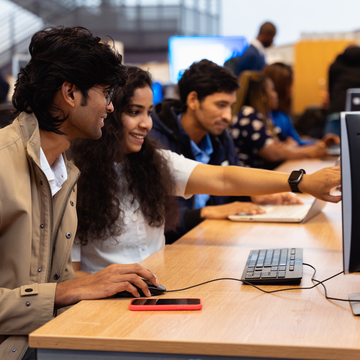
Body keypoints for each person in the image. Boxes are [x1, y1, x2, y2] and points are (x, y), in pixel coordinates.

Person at [71, 65, 340, 280]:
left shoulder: (153, 161)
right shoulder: (74, 176)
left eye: (149, 112)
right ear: (107, 112)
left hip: (158, 287)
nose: (146, 124)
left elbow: (223, 178)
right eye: (134, 112)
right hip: (106, 301)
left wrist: (301, 182)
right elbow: (70, 273)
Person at [0, 26, 161, 360]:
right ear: (70, 94)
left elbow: (56, 285)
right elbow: (58, 290)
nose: (110, 107)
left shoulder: (64, 169)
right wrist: (64, 292)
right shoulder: (3, 162)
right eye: (105, 93)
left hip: (52, 340)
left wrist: (93, 285)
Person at [150, 59, 300, 243]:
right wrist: (205, 213)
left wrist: (255, 194)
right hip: (175, 247)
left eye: (230, 106)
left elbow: (231, 182)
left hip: (210, 238)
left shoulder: (220, 137)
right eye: (221, 105)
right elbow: (150, 218)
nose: (228, 116)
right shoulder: (154, 141)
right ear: (193, 100)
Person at [230, 71, 331, 170]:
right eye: (272, 90)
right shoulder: (248, 114)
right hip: (246, 179)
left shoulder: (262, 118)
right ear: (262, 95)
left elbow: (289, 143)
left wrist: (316, 145)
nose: (275, 95)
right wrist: (308, 153)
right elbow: (273, 153)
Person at [263, 62, 339, 147]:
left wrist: (322, 143)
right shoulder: (265, 118)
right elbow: (292, 144)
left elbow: (296, 141)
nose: (292, 92)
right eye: (289, 86)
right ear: (279, 88)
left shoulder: (283, 116)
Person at [324, 45, 360, 136]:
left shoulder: (335, 65)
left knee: (331, 147)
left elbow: (331, 91)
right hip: (358, 112)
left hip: (336, 111)